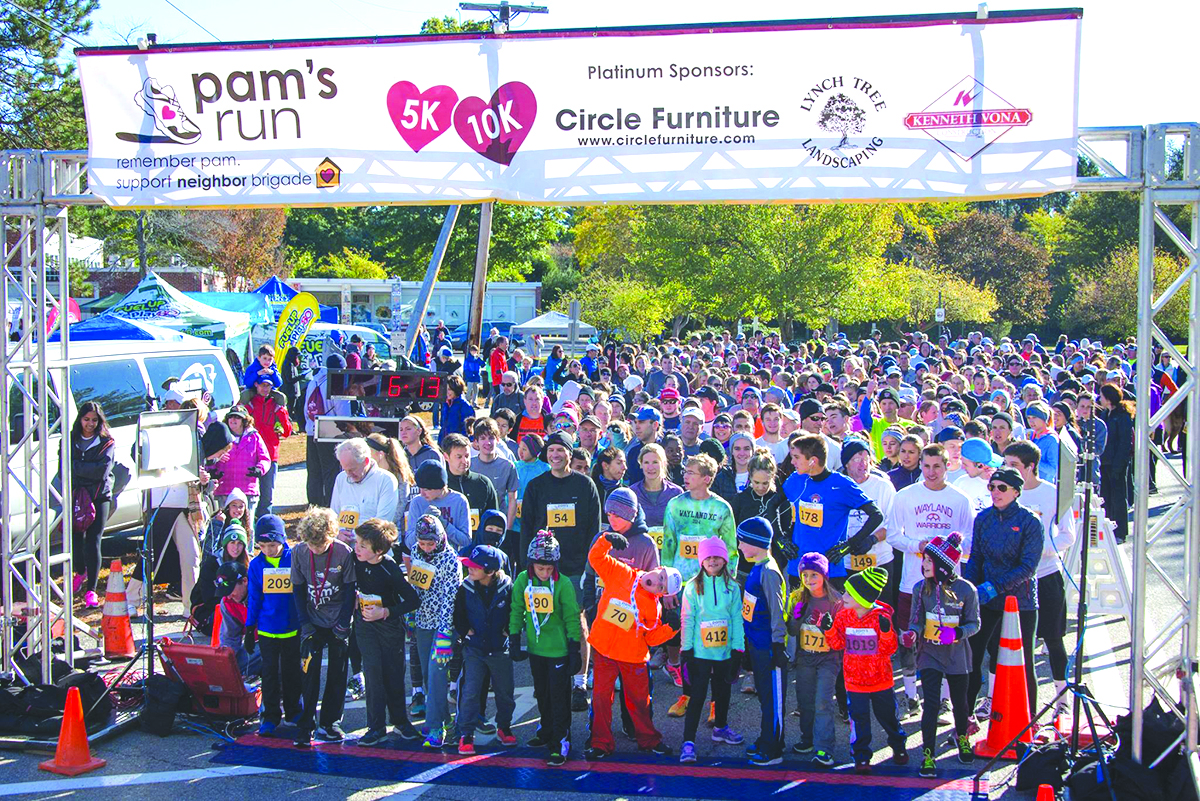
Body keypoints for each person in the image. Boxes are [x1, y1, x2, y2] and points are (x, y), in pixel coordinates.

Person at [886, 443, 975, 718]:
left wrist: (949, 550)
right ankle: (911, 697)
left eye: (937, 466)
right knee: (909, 639)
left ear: (948, 466)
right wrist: (917, 545)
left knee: (946, 641)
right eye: (926, 466)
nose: (931, 472)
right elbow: (892, 535)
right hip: (912, 581)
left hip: (948, 586)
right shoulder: (905, 496)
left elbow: (970, 542)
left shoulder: (960, 500)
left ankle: (945, 700)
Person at [520, 430, 602, 712]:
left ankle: (580, 682)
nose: (556, 455)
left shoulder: (585, 486)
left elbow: (594, 530)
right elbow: (527, 529)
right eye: (551, 450)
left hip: (578, 566)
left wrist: (591, 567)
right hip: (543, 568)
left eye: (561, 450)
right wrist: (527, 568)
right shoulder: (536, 486)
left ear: (570, 453)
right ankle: (551, 677)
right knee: (548, 620)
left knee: (578, 624)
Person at [585, 529, 680, 760]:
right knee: (600, 699)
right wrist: (606, 540)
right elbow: (596, 558)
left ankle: (649, 740)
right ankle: (601, 743)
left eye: (661, 586)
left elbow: (650, 638)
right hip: (605, 650)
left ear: (661, 594)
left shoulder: (654, 608)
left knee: (639, 701)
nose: (656, 582)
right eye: (659, 577)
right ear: (656, 568)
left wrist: (671, 628)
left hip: (632, 657)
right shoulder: (622, 573)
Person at [1003, 440, 1077, 721]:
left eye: (1013, 466)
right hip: (1013, 582)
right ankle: (1009, 702)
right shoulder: (1004, 493)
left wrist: (1036, 552)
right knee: (1011, 643)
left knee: (1053, 638)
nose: (1007, 471)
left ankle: (1062, 697)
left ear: (1030, 467)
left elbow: (1067, 535)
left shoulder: (1051, 494)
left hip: (1045, 576)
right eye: (1005, 464)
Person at [964, 466, 1043, 722]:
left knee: (1024, 660)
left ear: (1016, 492)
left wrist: (994, 586)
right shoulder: (983, 518)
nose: (995, 492)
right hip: (985, 600)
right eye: (992, 487)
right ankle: (965, 718)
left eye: (1002, 488)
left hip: (1019, 600)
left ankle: (1028, 721)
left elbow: (1028, 567)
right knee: (972, 656)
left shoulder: (1030, 521)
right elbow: (975, 556)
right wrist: (970, 587)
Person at [901, 533, 980, 778]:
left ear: (944, 566)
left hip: (957, 655)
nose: (923, 564)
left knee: (960, 703)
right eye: (923, 560)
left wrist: (956, 633)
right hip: (930, 654)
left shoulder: (966, 589)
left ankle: (962, 737)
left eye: (928, 561)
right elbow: (916, 620)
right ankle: (928, 752)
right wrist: (912, 634)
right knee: (932, 704)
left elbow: (975, 623)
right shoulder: (919, 588)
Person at [824, 566, 908, 774]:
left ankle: (898, 746)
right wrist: (828, 628)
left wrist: (887, 632)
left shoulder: (881, 618)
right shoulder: (843, 616)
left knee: (888, 717)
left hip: (881, 681)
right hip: (854, 681)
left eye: (848, 593)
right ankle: (861, 756)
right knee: (859, 721)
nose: (843, 596)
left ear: (862, 598)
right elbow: (837, 644)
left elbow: (890, 649)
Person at [510, 531, 582, 766]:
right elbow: (517, 608)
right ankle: (547, 729)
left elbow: (572, 616)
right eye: (541, 568)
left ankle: (561, 739)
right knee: (542, 693)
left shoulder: (563, 584)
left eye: (549, 569)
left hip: (558, 650)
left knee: (559, 696)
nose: (545, 572)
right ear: (532, 565)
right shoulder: (523, 580)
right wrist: (514, 637)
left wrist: (574, 648)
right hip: (536, 649)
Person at [290, 507, 357, 748]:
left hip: (337, 618)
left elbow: (350, 590)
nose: (317, 549)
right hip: (312, 619)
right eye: (312, 546)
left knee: (338, 674)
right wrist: (304, 623)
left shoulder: (343, 552)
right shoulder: (298, 552)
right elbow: (297, 589)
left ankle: (330, 722)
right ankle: (305, 723)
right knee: (308, 674)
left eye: (321, 545)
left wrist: (343, 622)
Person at [352, 517, 422, 746]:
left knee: (393, 674)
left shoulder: (389, 567)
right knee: (373, 675)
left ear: (379, 550)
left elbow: (412, 600)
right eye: (357, 543)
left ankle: (401, 721)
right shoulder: (354, 560)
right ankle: (376, 727)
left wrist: (386, 612)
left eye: (363, 545)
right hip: (364, 627)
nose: (357, 548)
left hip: (389, 628)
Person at [783, 433, 883, 584]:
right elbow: (773, 504)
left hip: (829, 569)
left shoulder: (841, 484)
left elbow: (876, 515)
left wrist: (849, 545)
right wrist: (781, 538)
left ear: (812, 461)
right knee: (798, 609)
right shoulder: (796, 479)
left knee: (829, 609)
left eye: (796, 457)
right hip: (799, 568)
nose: (792, 462)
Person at [679, 536, 745, 763]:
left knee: (723, 693)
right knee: (696, 696)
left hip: (724, 653)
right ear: (701, 560)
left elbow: (737, 618)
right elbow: (687, 619)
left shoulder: (733, 587)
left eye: (717, 556)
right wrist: (685, 651)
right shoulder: (692, 587)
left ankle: (720, 728)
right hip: (700, 654)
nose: (713, 560)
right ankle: (688, 741)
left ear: (725, 560)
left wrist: (738, 649)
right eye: (708, 557)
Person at [453, 544, 518, 754]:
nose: (469, 569)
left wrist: (510, 629)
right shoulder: (465, 587)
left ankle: (504, 727)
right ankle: (466, 733)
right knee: (470, 691)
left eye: (474, 566)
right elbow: (458, 614)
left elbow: (516, 609)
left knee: (505, 691)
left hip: (500, 650)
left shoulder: (507, 586)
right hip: (474, 650)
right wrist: (465, 631)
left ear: (489, 571)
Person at [735, 516, 788, 766]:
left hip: (769, 646)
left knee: (773, 698)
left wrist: (778, 645)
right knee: (765, 697)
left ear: (756, 543)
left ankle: (774, 748)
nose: (739, 547)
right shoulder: (757, 566)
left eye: (742, 542)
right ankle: (768, 736)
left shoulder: (768, 572)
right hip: (756, 644)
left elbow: (777, 612)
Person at [409, 511, 464, 749]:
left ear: (440, 538)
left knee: (437, 673)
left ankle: (434, 728)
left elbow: (450, 600)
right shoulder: (415, 552)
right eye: (422, 543)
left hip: (444, 625)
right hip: (423, 622)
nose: (427, 547)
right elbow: (415, 585)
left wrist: (444, 633)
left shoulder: (451, 560)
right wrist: (412, 615)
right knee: (428, 677)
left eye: (430, 543)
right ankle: (448, 723)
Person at [245, 514, 301, 736]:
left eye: (273, 545)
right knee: (268, 675)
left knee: (292, 673)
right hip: (268, 629)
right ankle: (270, 716)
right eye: (263, 546)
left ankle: (294, 710)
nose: (269, 550)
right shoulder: (257, 565)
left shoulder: (293, 558)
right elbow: (254, 597)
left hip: (292, 627)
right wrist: (250, 628)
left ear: (283, 540)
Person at [786, 552, 842, 767]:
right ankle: (807, 739)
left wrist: (828, 629)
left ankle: (824, 748)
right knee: (805, 701)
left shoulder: (836, 601)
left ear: (824, 576)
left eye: (814, 575)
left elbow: (840, 639)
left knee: (823, 702)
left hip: (828, 659)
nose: (809, 580)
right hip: (805, 658)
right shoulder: (798, 598)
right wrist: (796, 617)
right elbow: (791, 632)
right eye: (805, 575)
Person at [67, 400, 117, 608]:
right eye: (86, 419)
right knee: (75, 539)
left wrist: (79, 467)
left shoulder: (107, 442)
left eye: (94, 420)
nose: (90, 424)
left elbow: (102, 471)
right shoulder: (71, 440)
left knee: (94, 541)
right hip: (78, 496)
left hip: (99, 495)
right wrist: (84, 468)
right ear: (80, 419)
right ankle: (80, 571)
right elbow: (65, 468)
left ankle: (92, 590)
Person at [330, 437, 399, 547]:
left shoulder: (386, 480)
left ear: (366, 461)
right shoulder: (341, 478)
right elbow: (333, 514)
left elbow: (382, 522)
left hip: (373, 550)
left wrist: (355, 537)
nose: (349, 474)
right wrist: (338, 533)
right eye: (345, 469)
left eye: (352, 469)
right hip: (344, 549)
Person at [243, 376, 292, 519]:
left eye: (268, 386)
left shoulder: (277, 407)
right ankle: (247, 520)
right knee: (247, 491)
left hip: (270, 454)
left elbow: (287, 432)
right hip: (250, 454)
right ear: (256, 385)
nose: (265, 389)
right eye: (262, 385)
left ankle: (263, 523)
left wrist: (281, 412)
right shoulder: (249, 405)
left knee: (267, 494)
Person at [214, 405, 271, 513]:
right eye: (231, 417)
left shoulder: (254, 437)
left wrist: (260, 469)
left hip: (247, 489)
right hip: (224, 489)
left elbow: (265, 458)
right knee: (223, 525)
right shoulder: (219, 436)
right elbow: (209, 458)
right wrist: (213, 469)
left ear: (245, 421)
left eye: (237, 417)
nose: (233, 420)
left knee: (247, 527)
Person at [405, 461, 471, 552]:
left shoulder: (459, 501)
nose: (422, 493)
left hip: (449, 560)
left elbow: (466, 541)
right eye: (420, 488)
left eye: (427, 489)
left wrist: (444, 524)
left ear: (441, 486)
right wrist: (423, 524)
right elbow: (409, 543)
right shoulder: (417, 502)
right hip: (423, 561)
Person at [1098, 383, 1134, 543]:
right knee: (1106, 496)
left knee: (1118, 498)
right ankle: (1108, 529)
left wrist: (1119, 465)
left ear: (1109, 398)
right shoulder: (1106, 414)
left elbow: (1124, 443)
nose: (1099, 398)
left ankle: (1120, 532)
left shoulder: (1122, 416)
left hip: (1117, 463)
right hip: (1105, 462)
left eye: (1102, 395)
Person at [215, 561, 261, 677]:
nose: (229, 596)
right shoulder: (227, 603)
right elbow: (229, 637)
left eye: (231, 590)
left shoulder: (264, 594)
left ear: (245, 581)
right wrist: (225, 661)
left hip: (276, 641)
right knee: (231, 670)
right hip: (254, 645)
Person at [366, 433, 415, 530]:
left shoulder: (399, 475)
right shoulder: (368, 474)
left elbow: (401, 506)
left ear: (380, 454)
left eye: (368, 452)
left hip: (391, 530)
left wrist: (379, 526)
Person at [438, 375, 474, 445]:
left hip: (458, 445)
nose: (447, 392)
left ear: (456, 389)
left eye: (449, 389)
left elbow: (468, 430)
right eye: (445, 389)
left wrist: (461, 445)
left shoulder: (465, 406)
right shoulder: (446, 404)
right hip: (445, 444)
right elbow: (443, 426)